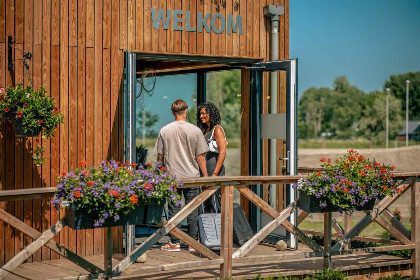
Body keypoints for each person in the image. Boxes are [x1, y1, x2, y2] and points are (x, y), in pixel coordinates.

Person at [155, 99, 209, 252]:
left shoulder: (164, 130)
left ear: (173, 113)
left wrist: (159, 173)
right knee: (193, 210)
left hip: (173, 178)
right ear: (186, 111)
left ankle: (175, 242)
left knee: (174, 210)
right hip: (192, 177)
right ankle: (192, 243)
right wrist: (205, 177)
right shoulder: (195, 131)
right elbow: (200, 157)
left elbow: (160, 156)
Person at [197, 102, 227, 212]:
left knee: (216, 204)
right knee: (204, 204)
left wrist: (214, 174)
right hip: (204, 172)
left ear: (211, 114)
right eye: (200, 114)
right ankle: (206, 228)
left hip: (214, 170)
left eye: (204, 114)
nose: (201, 116)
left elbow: (223, 152)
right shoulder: (204, 130)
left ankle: (219, 228)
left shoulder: (217, 129)